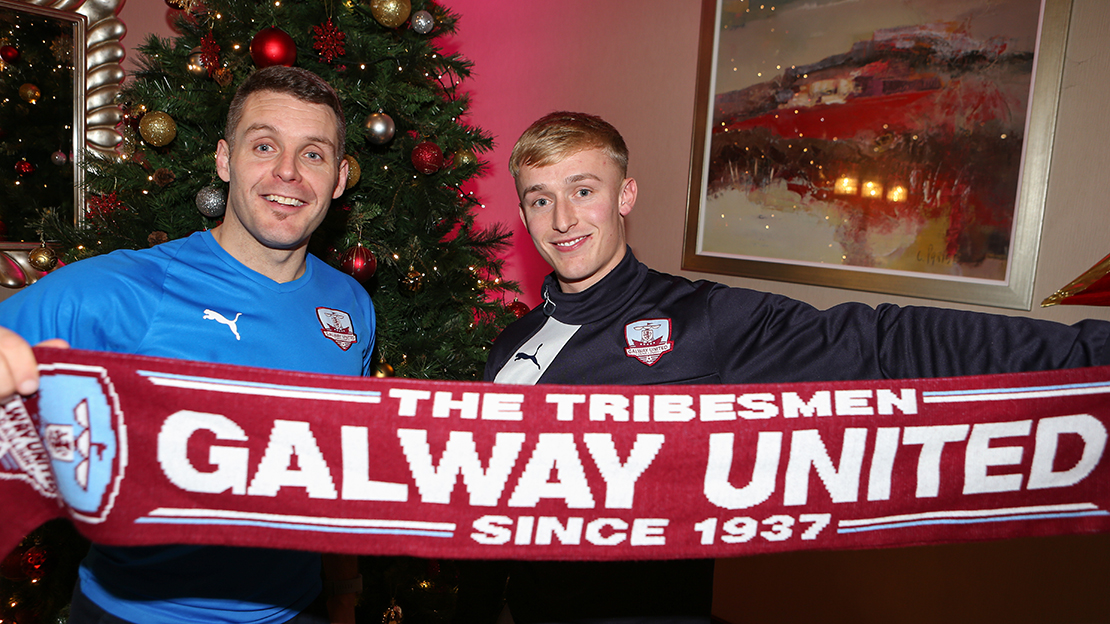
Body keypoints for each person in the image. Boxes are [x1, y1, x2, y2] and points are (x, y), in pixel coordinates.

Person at [484, 111, 1110, 623]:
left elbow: (882, 343)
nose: (562, 220)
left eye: (583, 191)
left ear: (625, 196)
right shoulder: (511, 345)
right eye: (540, 199)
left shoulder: (702, 320)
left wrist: (1088, 353)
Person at [0, 66, 373, 624]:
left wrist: (343, 590)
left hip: (297, 610)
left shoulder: (351, 305)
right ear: (224, 160)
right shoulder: (123, 289)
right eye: (264, 145)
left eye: (313, 154)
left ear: (340, 178)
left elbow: (339, 467)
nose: (288, 171)